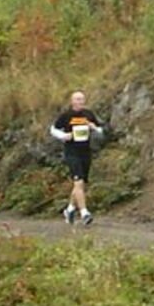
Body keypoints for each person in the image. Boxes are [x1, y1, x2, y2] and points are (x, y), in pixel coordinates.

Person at [48, 90, 103, 226]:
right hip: (72, 152)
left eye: (82, 99)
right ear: (72, 101)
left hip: (85, 151)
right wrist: (63, 136)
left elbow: (100, 130)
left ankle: (70, 209)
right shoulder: (66, 115)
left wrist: (94, 127)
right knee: (78, 182)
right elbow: (53, 129)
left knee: (81, 184)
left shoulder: (88, 114)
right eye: (77, 99)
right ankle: (84, 213)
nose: (80, 102)